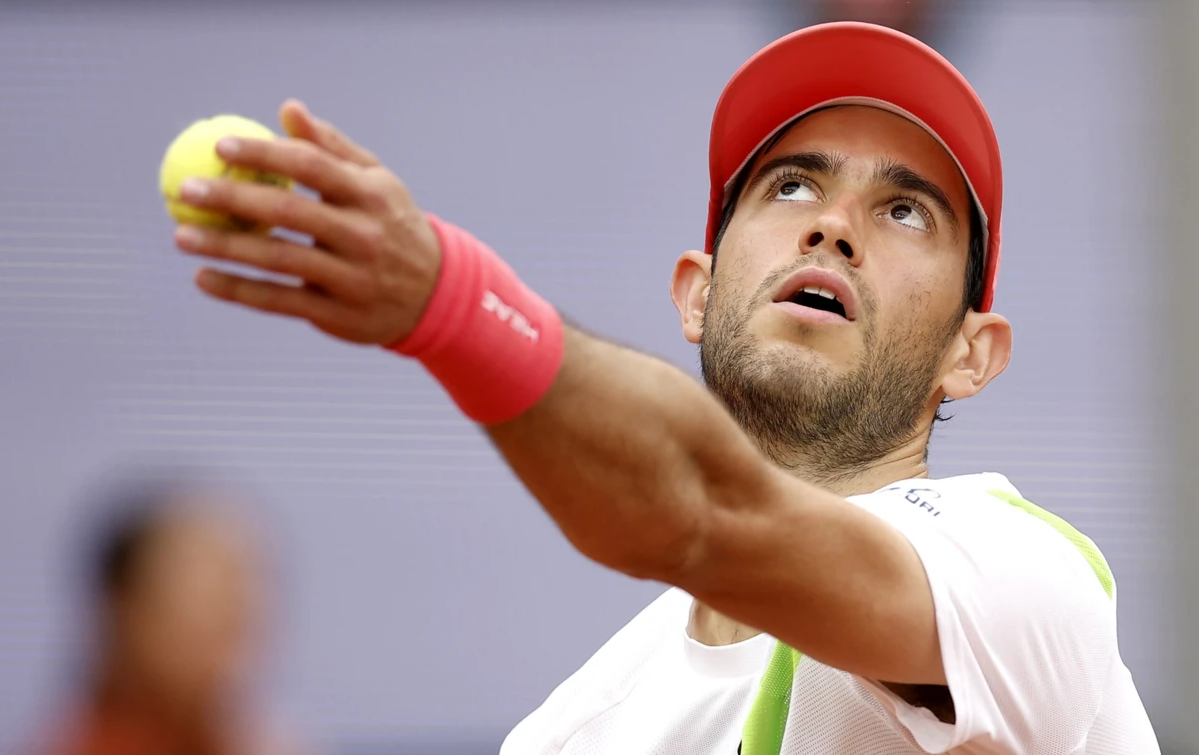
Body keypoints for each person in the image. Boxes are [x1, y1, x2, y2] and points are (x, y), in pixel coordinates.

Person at [167, 20, 1160, 754]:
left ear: (971, 353)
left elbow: (701, 514)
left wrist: (451, 302)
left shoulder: (1024, 580)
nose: (835, 224)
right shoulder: (570, 732)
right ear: (698, 291)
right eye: (793, 186)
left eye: (906, 209)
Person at [41, 479, 295, 755]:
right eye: (205, 618)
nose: (229, 658)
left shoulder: (230, 738)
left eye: (238, 621)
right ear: (125, 613)